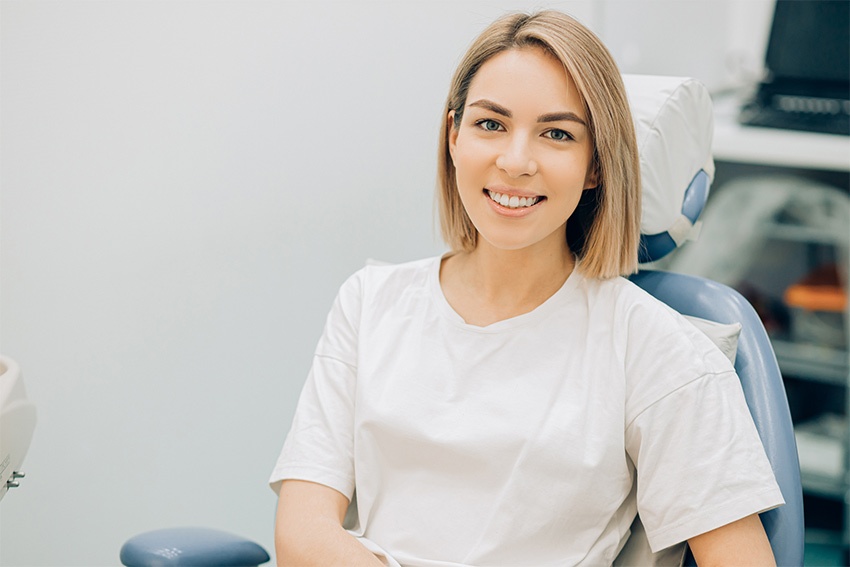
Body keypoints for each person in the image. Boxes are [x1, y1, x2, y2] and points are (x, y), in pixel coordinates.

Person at [270, 10, 784, 567]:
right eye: (490, 124)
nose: (515, 161)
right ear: (453, 137)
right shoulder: (370, 303)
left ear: (595, 167)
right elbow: (302, 531)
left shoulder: (654, 347)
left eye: (557, 134)